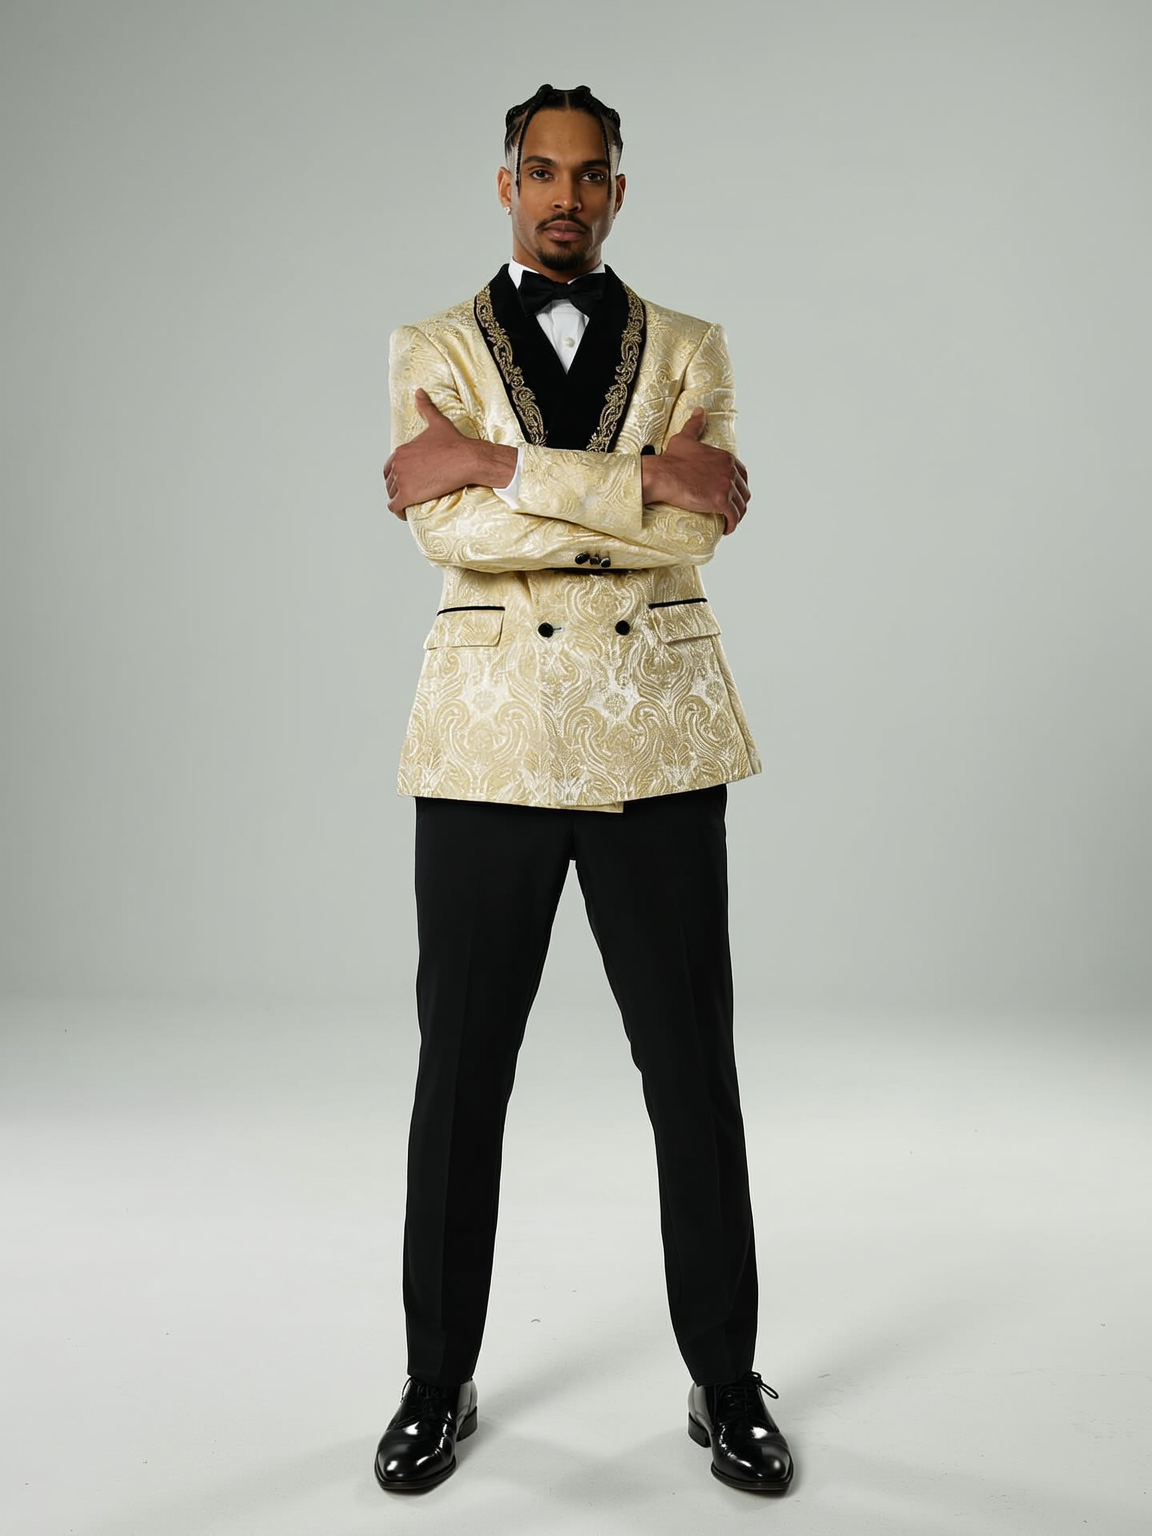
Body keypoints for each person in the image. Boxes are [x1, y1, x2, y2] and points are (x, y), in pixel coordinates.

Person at [373, 84, 793, 1497]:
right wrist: (630, 481)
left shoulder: (691, 343)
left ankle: (725, 1380)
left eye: (592, 174)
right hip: (486, 744)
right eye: (543, 173)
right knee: (461, 1077)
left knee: (692, 1073)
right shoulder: (430, 344)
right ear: (506, 186)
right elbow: (445, 527)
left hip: (656, 740)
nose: (567, 196)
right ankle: (435, 1379)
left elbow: (699, 528)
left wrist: (497, 460)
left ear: (619, 190)